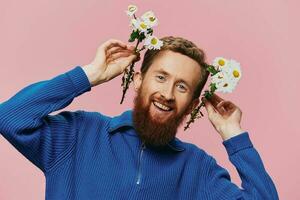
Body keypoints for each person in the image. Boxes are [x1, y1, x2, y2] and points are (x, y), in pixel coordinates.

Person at [0, 36, 278, 200]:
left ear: (193, 104)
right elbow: (10, 117)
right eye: (161, 77)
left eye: (181, 87)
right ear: (138, 80)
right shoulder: (80, 134)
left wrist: (234, 137)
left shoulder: (198, 168)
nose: (167, 93)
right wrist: (89, 75)